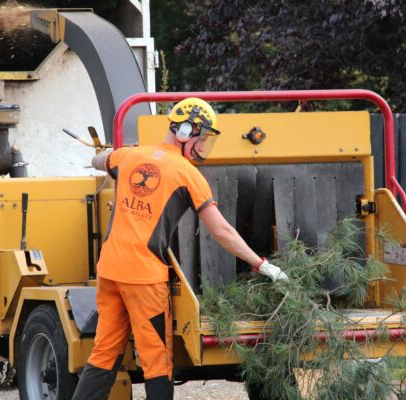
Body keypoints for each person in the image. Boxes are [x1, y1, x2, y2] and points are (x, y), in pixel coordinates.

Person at [72, 98, 288, 400]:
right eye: (202, 139)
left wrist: (111, 154)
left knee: (104, 354)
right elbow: (222, 231)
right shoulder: (187, 174)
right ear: (185, 131)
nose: (203, 148)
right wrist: (261, 264)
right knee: (157, 362)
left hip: (110, 270)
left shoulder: (128, 157)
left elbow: (101, 161)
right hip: (144, 279)